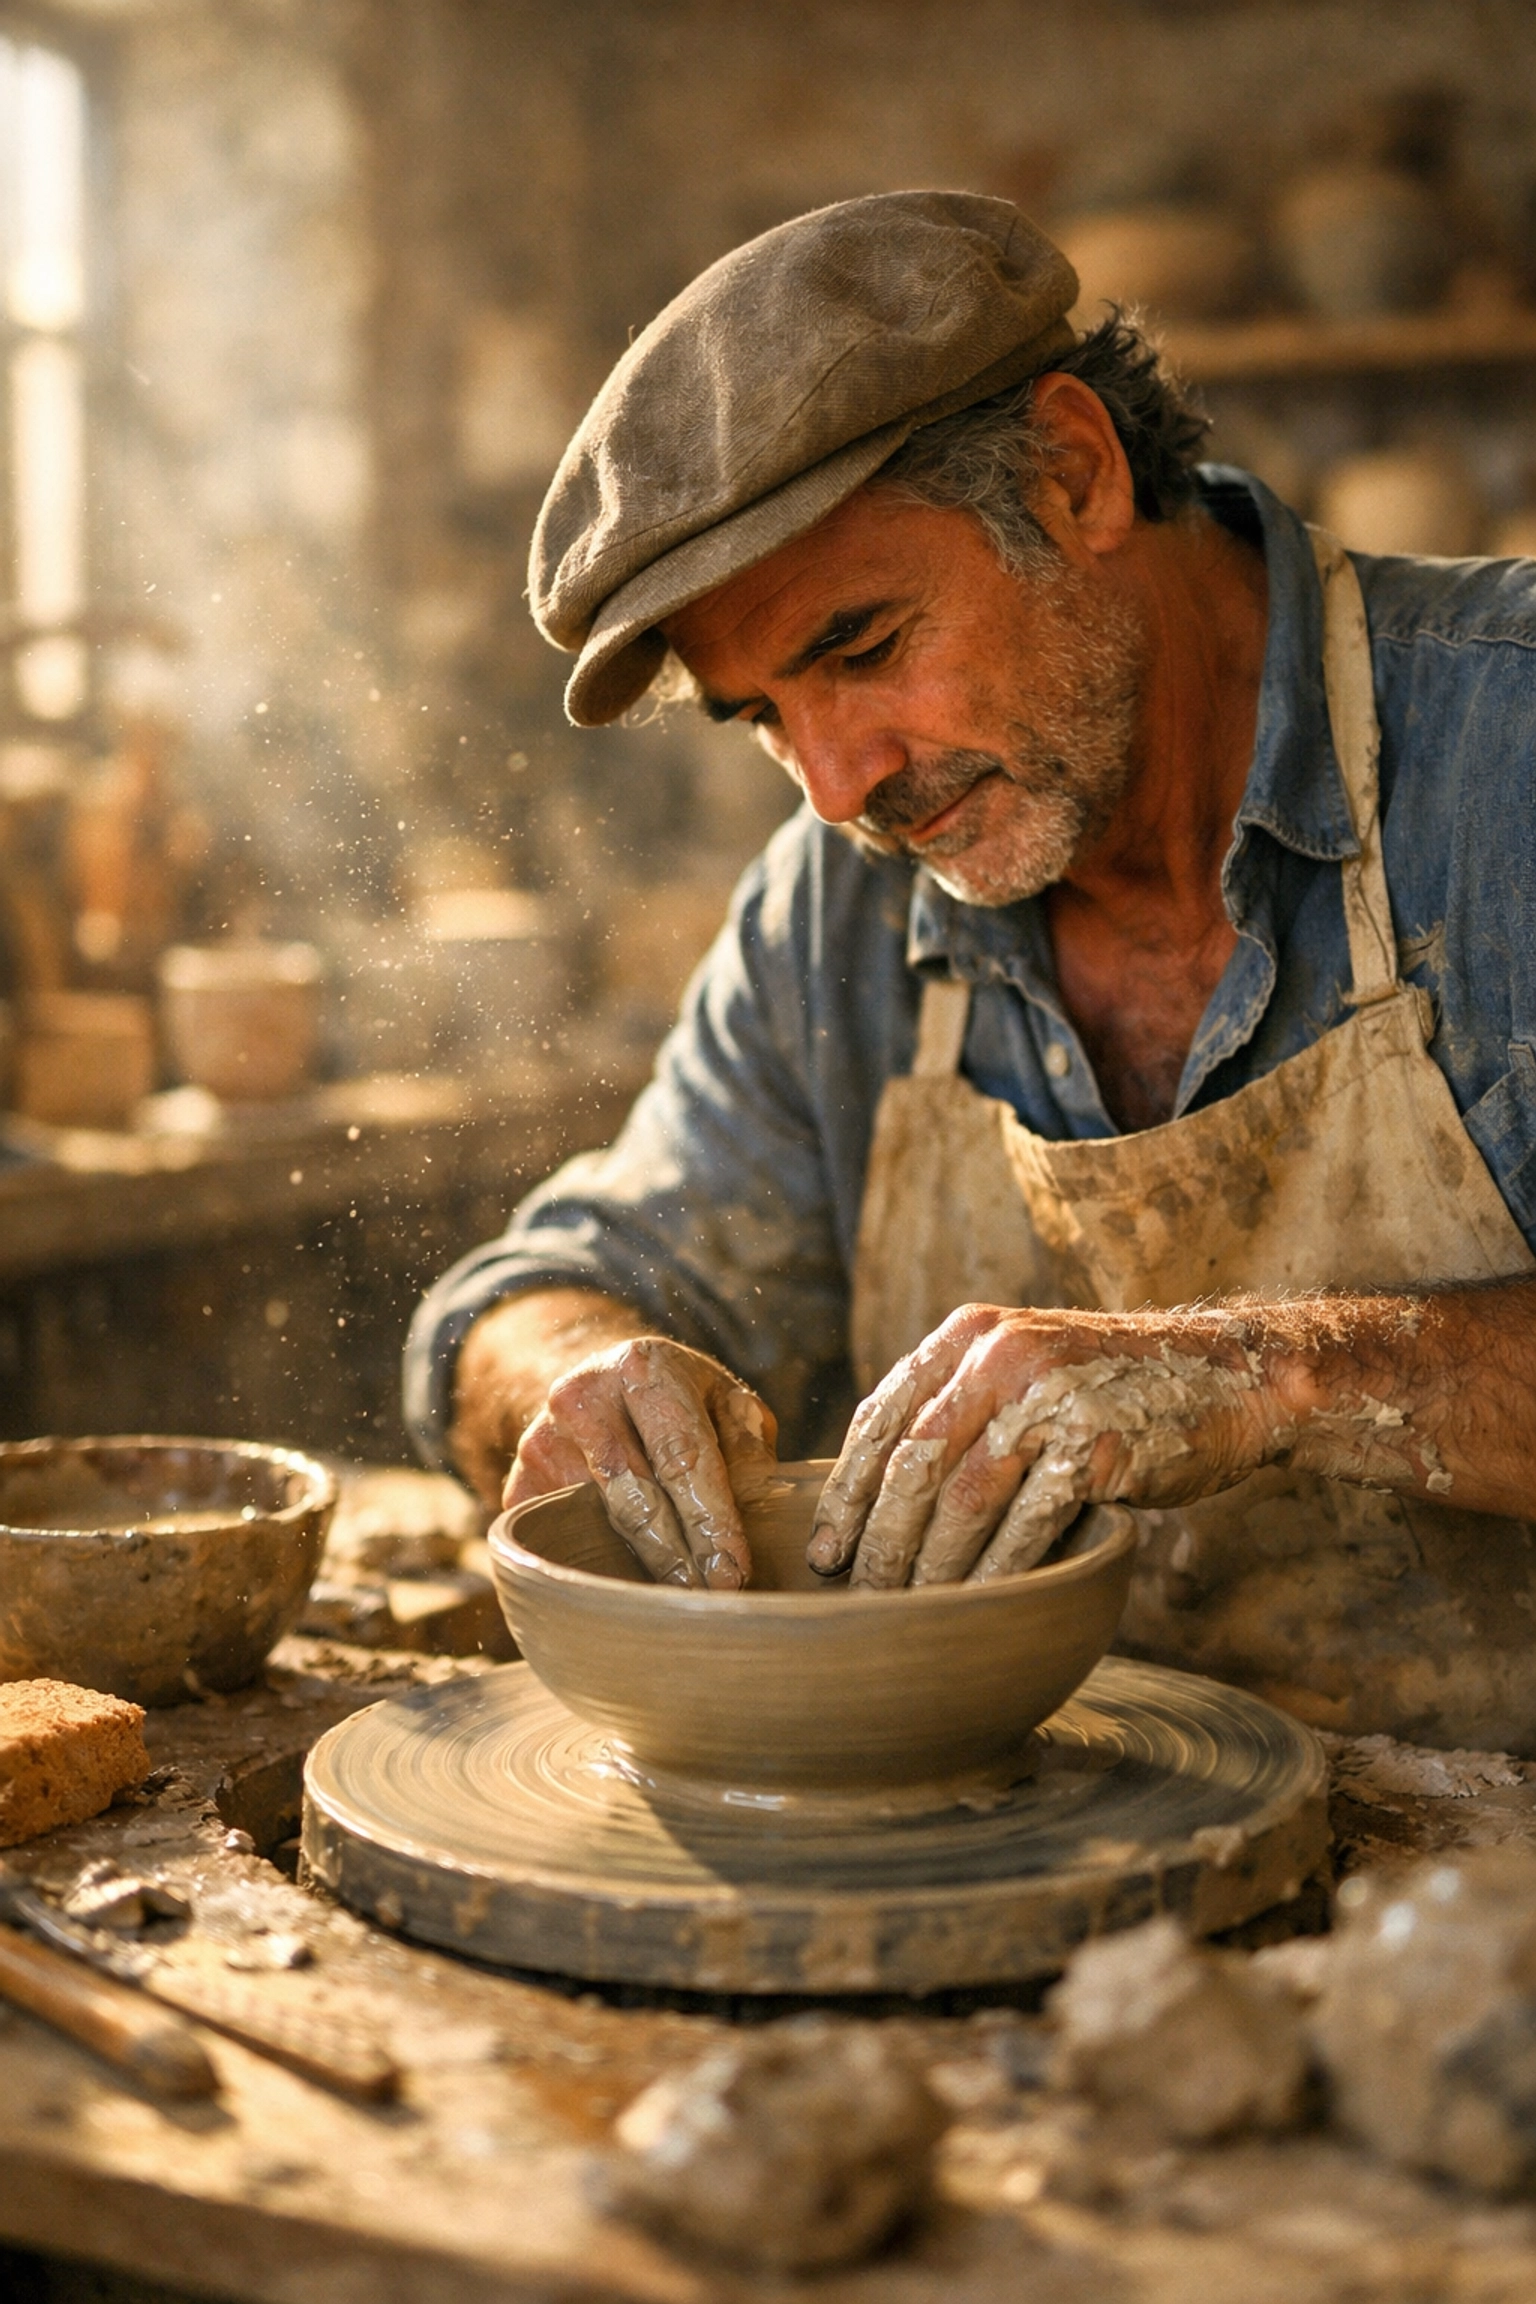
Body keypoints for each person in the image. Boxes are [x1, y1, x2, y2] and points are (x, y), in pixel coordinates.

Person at [406, 191, 1536, 1750]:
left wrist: (1271, 1372)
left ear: (1075, 476)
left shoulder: (1511, 757)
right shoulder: (843, 905)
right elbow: (535, 1295)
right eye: (764, 716)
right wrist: (582, 1373)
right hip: (1055, 1866)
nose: (834, 784)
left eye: (861, 648)